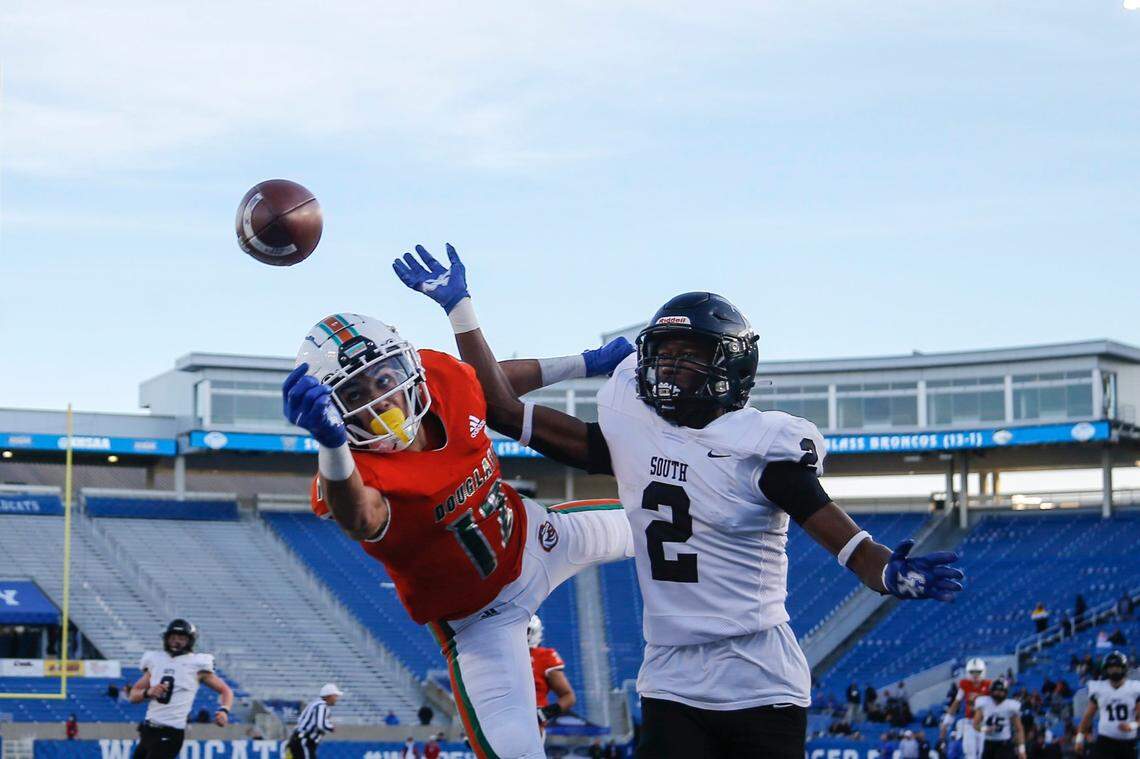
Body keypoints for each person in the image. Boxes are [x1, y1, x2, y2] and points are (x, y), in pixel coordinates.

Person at [394, 246, 965, 759]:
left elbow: (842, 535)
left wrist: (887, 569)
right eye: (664, 354)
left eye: (689, 355)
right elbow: (494, 404)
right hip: (671, 675)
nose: (670, 367)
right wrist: (461, 309)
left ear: (730, 366)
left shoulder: (761, 446)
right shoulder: (631, 428)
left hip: (758, 676)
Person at [282, 308, 635, 759]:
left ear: (406, 369)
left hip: (541, 538)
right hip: (480, 623)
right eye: (355, 392)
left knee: (674, 523)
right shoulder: (350, 474)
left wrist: (586, 362)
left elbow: (488, 383)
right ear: (334, 408)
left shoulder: (441, 380)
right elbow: (360, 519)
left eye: (384, 380)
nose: (379, 401)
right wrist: (331, 445)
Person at [128, 619, 232, 759]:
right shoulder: (156, 660)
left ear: (190, 640)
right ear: (166, 638)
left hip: (171, 732)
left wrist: (224, 710)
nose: (176, 641)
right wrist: (147, 693)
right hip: (149, 730)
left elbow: (226, 691)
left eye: (181, 638)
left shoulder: (197, 664)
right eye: (173, 637)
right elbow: (133, 695)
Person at [1075, 651, 1140, 758]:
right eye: (1111, 667)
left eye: (1117, 667)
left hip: (1127, 743)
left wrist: (1132, 725)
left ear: (1123, 668)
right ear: (1106, 669)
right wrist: (1079, 738)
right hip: (1105, 741)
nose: (1114, 670)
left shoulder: (1134, 688)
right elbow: (1088, 716)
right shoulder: (1100, 689)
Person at [528, 614, 576, 740]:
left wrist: (544, 713)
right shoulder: (502, 656)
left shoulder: (544, 656)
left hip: (529, 724)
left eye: (525, 630)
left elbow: (568, 696)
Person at [942, 658, 992, 759]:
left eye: (978, 672)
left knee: (983, 753)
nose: (975, 675)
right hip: (969, 722)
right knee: (970, 754)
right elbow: (956, 702)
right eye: (972, 672)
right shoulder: (965, 684)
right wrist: (947, 721)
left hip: (984, 722)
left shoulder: (988, 685)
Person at [973, 678, 1026, 759]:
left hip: (1004, 745)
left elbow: (1019, 729)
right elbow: (975, 725)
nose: (999, 693)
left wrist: (1022, 750)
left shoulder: (1011, 706)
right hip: (989, 743)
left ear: (1006, 691)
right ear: (992, 690)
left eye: (1001, 690)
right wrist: (985, 729)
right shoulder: (984, 703)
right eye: (997, 690)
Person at [287, 683, 341, 759]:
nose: (336, 698)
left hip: (301, 740)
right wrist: (331, 727)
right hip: (304, 740)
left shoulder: (317, 704)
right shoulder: (321, 706)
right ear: (329, 696)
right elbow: (320, 724)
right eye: (335, 696)